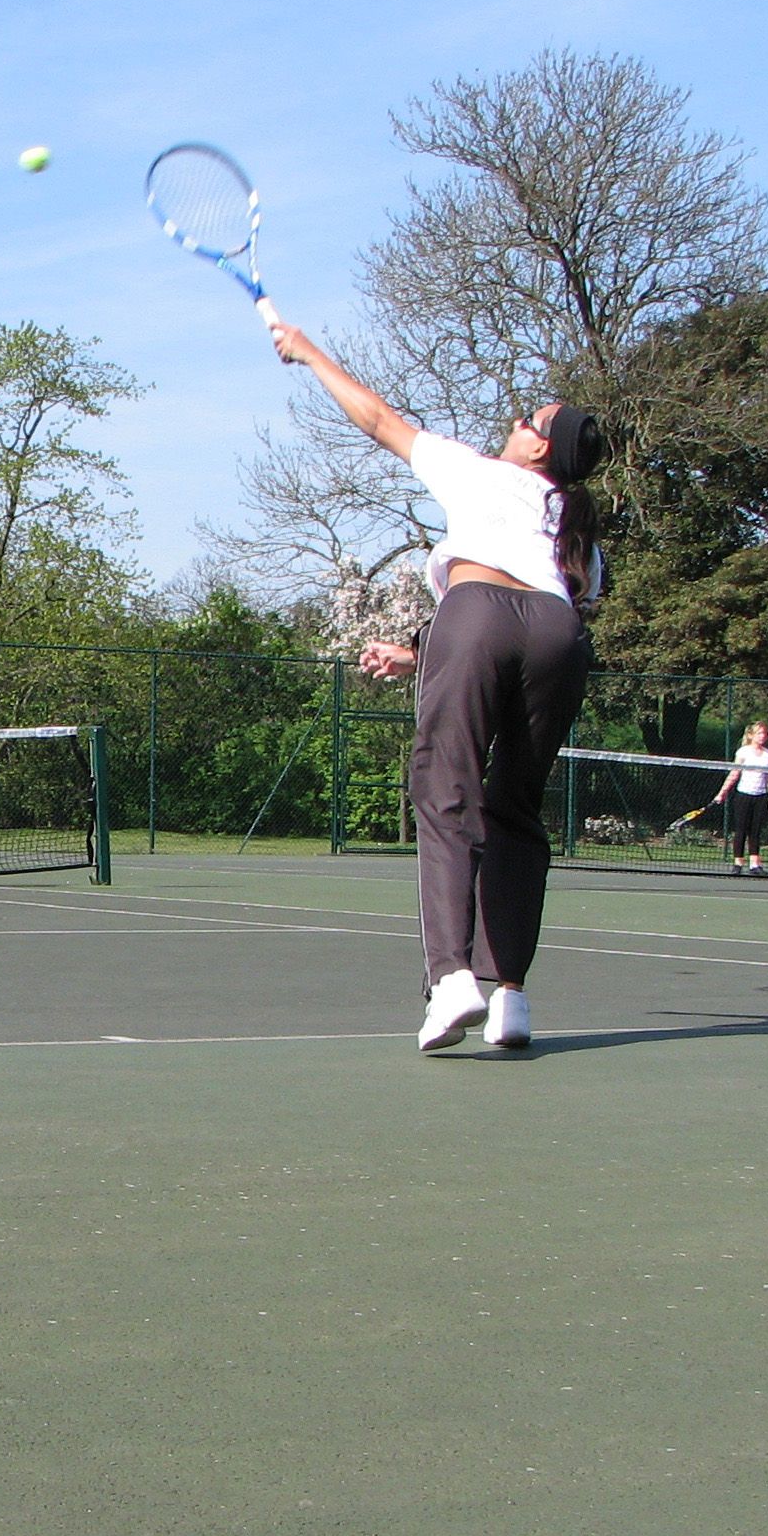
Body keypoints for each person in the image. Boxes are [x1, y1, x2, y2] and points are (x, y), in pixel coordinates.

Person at [271, 323, 606, 1054]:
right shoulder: (579, 537)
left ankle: (453, 978)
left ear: (540, 447)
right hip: (558, 635)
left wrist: (309, 353)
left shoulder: (481, 471)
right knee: (514, 808)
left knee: (444, 790)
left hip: (477, 615)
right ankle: (510, 996)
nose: (515, 424)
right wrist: (420, 647)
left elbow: (379, 419)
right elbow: (531, 614)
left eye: (527, 421)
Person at [712, 723, 768, 877]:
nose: (762, 736)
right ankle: (738, 864)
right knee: (741, 830)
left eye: (764, 734)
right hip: (743, 795)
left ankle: (755, 865)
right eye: (759, 733)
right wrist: (722, 793)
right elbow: (734, 773)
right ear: (751, 735)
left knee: (755, 831)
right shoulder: (743, 752)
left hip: (760, 797)